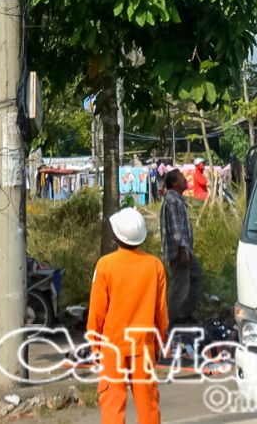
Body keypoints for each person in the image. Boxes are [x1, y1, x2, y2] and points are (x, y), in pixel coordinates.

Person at [87, 207, 168, 424]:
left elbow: (97, 311)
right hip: (143, 347)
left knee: (113, 407)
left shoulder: (105, 265)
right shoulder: (155, 266)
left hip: (112, 347)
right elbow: (161, 313)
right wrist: (159, 344)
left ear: (116, 235)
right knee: (149, 407)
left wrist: (94, 345)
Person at [160, 168, 202, 347]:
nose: (186, 180)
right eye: (182, 178)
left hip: (185, 250)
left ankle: (186, 314)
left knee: (196, 277)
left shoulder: (177, 200)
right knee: (180, 286)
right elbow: (177, 231)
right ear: (175, 183)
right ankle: (169, 322)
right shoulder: (173, 202)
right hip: (180, 252)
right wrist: (183, 252)